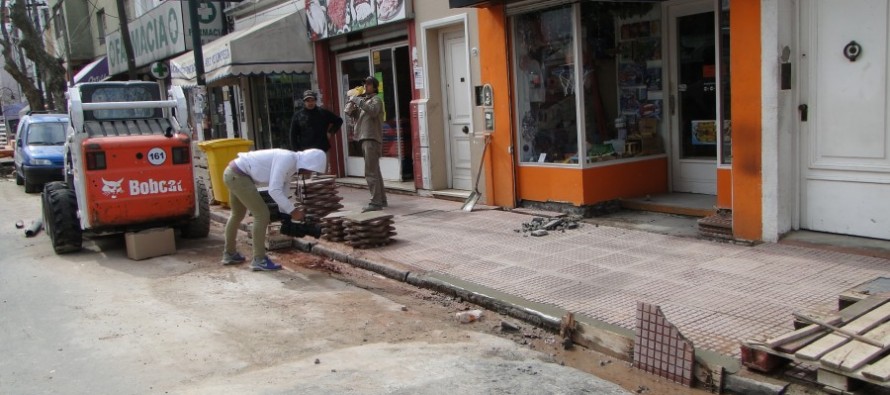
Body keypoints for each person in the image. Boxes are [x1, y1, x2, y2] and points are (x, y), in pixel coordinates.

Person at [221, 148, 327, 271]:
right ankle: (259, 259)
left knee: (237, 214)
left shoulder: (291, 164)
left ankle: (229, 254)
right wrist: (293, 211)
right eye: (311, 170)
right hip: (238, 176)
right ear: (307, 164)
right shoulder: (287, 159)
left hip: (232, 173)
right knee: (262, 215)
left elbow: (283, 190)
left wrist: (285, 215)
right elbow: (274, 190)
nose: (309, 174)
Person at [349, 76, 387, 212]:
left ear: (375, 87)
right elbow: (348, 112)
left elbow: (373, 111)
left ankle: (376, 202)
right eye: (365, 84)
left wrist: (358, 101)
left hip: (371, 138)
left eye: (369, 84)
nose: (366, 86)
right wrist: (354, 99)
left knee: (370, 172)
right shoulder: (364, 100)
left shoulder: (376, 100)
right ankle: (381, 199)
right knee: (375, 170)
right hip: (364, 138)